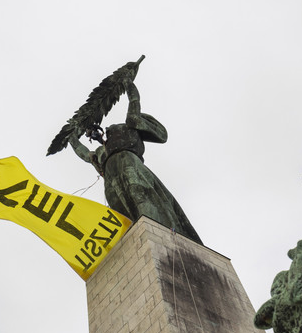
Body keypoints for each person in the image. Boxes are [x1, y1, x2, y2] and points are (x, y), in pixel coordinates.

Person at [68, 80, 202, 245]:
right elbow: (83, 153)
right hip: (111, 179)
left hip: (130, 164)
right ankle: (135, 241)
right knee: (121, 213)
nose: (108, 130)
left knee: (141, 198)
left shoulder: (129, 128)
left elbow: (134, 104)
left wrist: (128, 85)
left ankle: (159, 234)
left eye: (111, 129)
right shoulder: (100, 153)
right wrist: (72, 137)